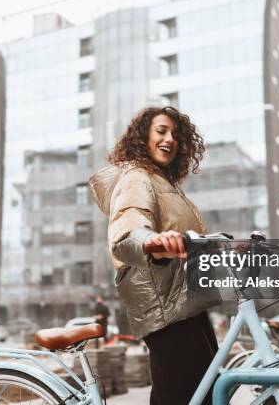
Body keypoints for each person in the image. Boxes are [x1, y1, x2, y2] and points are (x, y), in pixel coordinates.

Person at [89, 106, 218, 405]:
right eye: (161, 131)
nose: (170, 139)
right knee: (183, 395)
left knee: (200, 392)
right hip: (164, 308)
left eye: (175, 134)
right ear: (143, 137)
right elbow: (128, 227)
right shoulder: (137, 178)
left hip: (185, 303)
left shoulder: (165, 184)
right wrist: (152, 241)